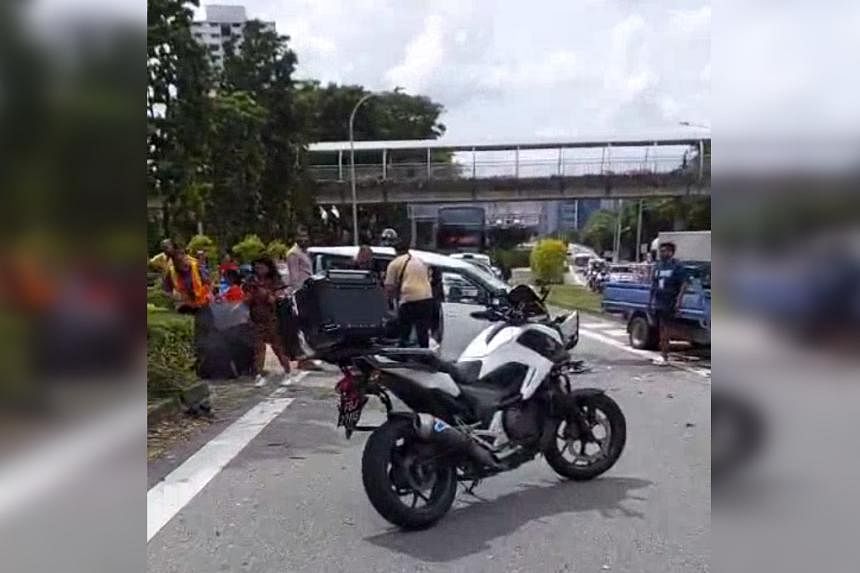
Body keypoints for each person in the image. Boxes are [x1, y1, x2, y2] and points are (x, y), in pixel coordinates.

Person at [244, 257, 292, 386]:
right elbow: (246, 300)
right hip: (256, 319)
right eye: (256, 267)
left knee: (278, 347)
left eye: (261, 267)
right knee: (258, 348)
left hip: (273, 318)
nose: (258, 270)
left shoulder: (275, 281)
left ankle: (287, 372)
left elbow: (276, 300)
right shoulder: (251, 281)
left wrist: (263, 292)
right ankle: (258, 375)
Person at [385, 240, 435, 348]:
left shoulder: (394, 264)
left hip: (409, 298)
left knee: (404, 328)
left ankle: (403, 352)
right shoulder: (420, 261)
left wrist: (389, 303)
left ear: (395, 251)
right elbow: (429, 278)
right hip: (426, 297)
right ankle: (424, 353)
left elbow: (389, 286)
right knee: (422, 329)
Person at [285, 226, 320, 370]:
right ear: (296, 238)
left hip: (308, 291)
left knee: (308, 324)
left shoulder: (304, 252)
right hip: (301, 293)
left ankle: (308, 356)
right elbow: (294, 277)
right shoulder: (293, 253)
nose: (304, 239)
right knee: (303, 324)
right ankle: (303, 358)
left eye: (306, 237)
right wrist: (298, 293)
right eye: (301, 237)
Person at [650, 241, 687, 365]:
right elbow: (654, 284)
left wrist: (679, 300)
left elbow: (684, 284)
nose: (661, 253)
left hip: (669, 301)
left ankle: (664, 356)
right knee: (661, 329)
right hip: (659, 301)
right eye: (661, 251)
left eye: (664, 251)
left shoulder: (676, 266)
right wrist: (650, 301)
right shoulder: (658, 266)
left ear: (671, 252)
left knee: (665, 329)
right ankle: (663, 354)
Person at [163, 247, 212, 312]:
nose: (182, 265)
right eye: (178, 262)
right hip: (185, 305)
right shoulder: (171, 272)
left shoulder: (197, 266)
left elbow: (209, 283)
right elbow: (167, 291)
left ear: (187, 258)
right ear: (174, 262)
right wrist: (176, 297)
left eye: (183, 261)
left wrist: (209, 294)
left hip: (203, 303)